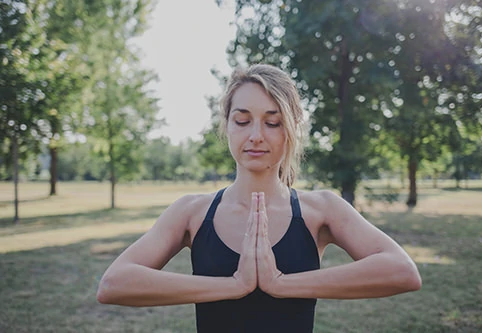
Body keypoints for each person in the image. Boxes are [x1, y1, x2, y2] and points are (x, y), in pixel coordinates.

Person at [96, 64, 421, 332]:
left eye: (273, 122)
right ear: (227, 125)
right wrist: (234, 286)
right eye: (242, 120)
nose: (255, 135)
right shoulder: (191, 212)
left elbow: (401, 272)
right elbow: (114, 284)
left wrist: (280, 284)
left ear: (292, 127)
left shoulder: (321, 209)